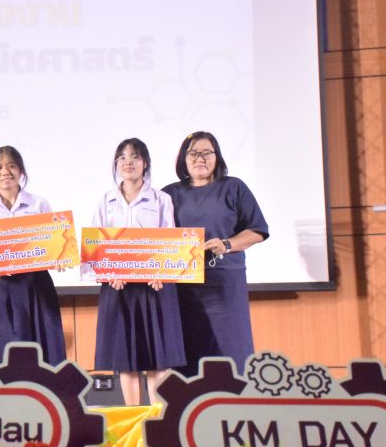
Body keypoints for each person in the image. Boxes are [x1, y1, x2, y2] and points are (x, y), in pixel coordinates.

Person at [162, 131, 269, 375]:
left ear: (217, 157)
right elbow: (154, 236)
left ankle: (235, 395)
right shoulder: (168, 194)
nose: (200, 158)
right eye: (193, 153)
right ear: (183, 158)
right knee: (187, 351)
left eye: (206, 153)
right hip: (183, 286)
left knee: (232, 349)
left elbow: (257, 230)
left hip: (225, 282)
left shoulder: (234, 187)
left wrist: (227, 244)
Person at [92, 138, 186, 405]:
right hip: (119, 289)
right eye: (122, 157)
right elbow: (96, 246)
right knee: (126, 360)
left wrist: (161, 271)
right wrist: (110, 272)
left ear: (145, 163)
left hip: (154, 288)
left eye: (135, 156)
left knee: (158, 359)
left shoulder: (161, 199)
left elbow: (171, 242)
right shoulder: (106, 200)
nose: (128, 162)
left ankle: (160, 421)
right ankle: (134, 421)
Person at [0, 146, 66, 364]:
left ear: (21, 171)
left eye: (11, 166)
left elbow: (53, 243)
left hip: (35, 285)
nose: (5, 172)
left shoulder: (39, 204)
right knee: (4, 354)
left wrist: (59, 255)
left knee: (44, 350)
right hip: (1, 287)